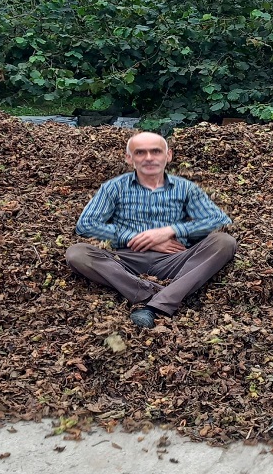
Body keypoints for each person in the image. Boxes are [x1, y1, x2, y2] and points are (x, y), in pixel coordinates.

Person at [66, 131, 237, 328]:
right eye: (140, 153)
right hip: (125, 260)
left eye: (156, 151)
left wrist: (169, 231)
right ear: (129, 158)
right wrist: (136, 236)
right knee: (77, 253)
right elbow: (85, 225)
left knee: (224, 242)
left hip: (176, 260)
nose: (149, 158)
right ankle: (159, 296)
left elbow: (219, 219)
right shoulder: (112, 188)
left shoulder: (186, 189)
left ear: (168, 155)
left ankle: (154, 305)